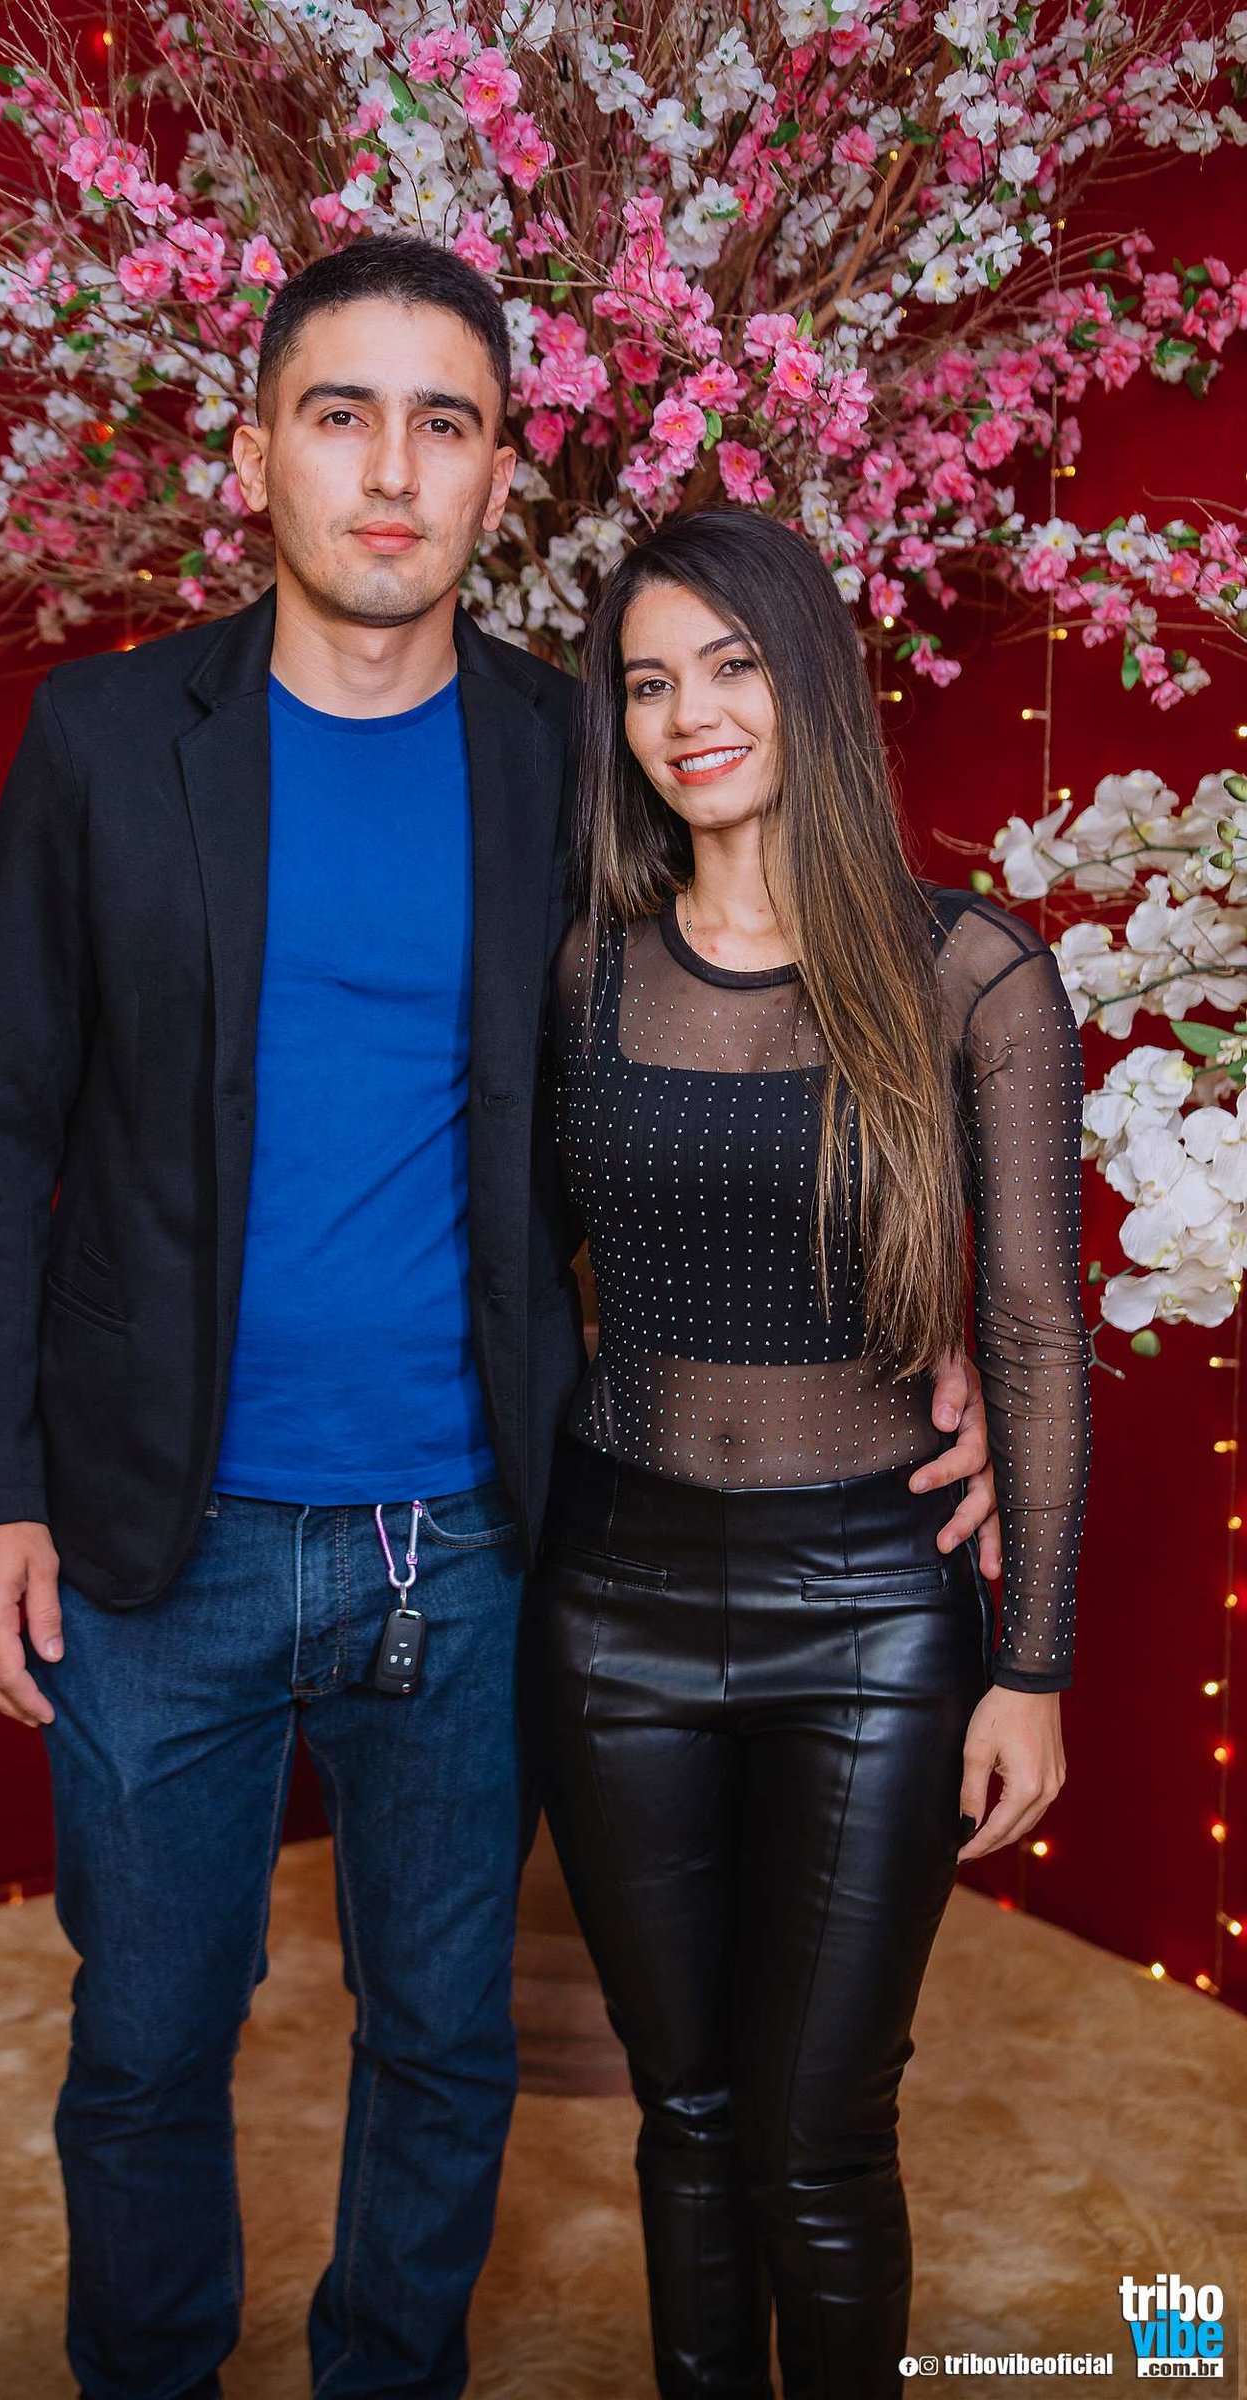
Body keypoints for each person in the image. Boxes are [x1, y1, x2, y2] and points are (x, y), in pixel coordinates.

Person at [0, 236, 1000, 2400]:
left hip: (488, 1539)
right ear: (254, 458)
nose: (392, 471)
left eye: (445, 423)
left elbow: (751, 1026)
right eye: (342, 416)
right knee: (147, 2040)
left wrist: (908, 1320)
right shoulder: (108, 741)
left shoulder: (570, 758)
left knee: (440, 2038)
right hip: (154, 1536)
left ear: (503, 474)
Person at [528, 505, 1092, 2400]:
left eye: (732, 666)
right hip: (609, 1604)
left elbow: (1033, 1327)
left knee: (823, 2136)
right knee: (685, 2118)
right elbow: (515, 1274)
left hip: (871, 1613)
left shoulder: (970, 973)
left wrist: (1034, 1664)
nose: (689, 715)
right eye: (647, 683)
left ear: (816, 681)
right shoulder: (584, 968)